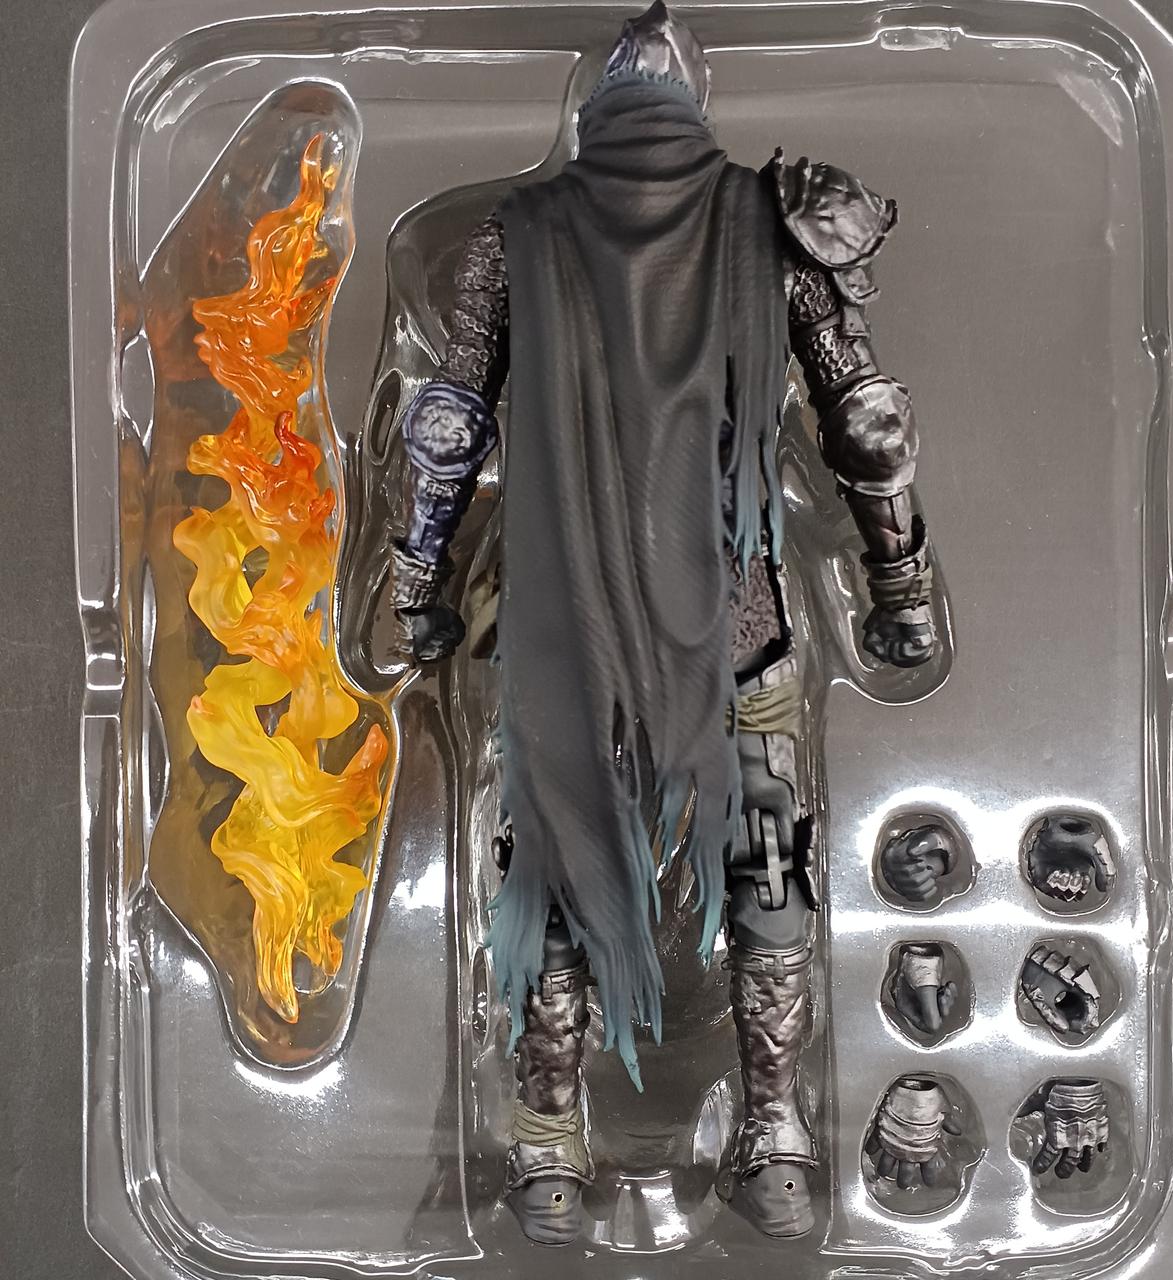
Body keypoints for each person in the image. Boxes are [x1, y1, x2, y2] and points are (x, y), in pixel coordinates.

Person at [387, 1, 938, 1243]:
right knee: (763, 867)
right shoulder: (775, 224)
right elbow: (865, 425)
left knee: (564, 865)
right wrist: (895, 583)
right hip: (729, 627)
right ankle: (769, 1132)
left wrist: (419, 582)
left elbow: (446, 429)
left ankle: (551, 1148)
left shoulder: (517, 235)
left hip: (566, 627)